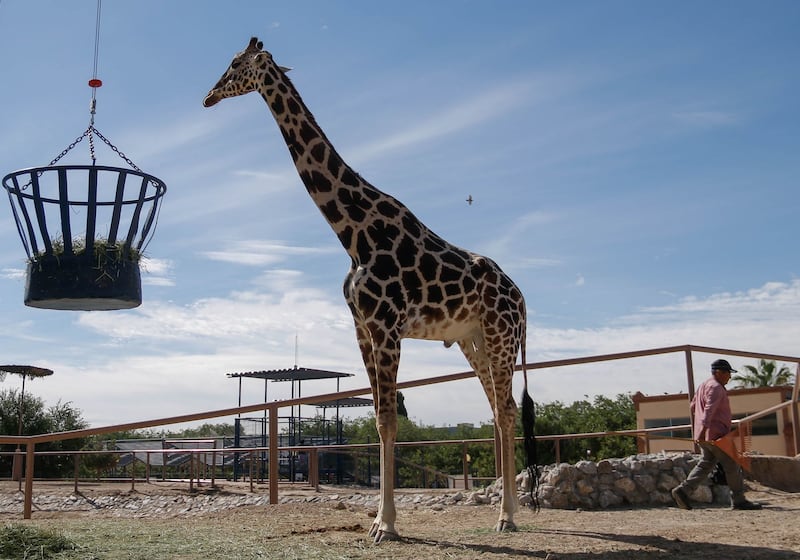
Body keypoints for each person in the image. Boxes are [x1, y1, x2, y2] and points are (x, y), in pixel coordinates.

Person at [671, 359, 762, 510]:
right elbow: (708, 410)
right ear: (719, 372)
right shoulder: (716, 388)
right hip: (717, 435)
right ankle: (739, 500)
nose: (729, 377)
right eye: (727, 373)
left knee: (705, 464)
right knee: (732, 466)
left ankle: (683, 490)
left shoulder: (703, 385)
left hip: (706, 435)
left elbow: (693, 406)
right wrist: (704, 430)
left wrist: (700, 430)